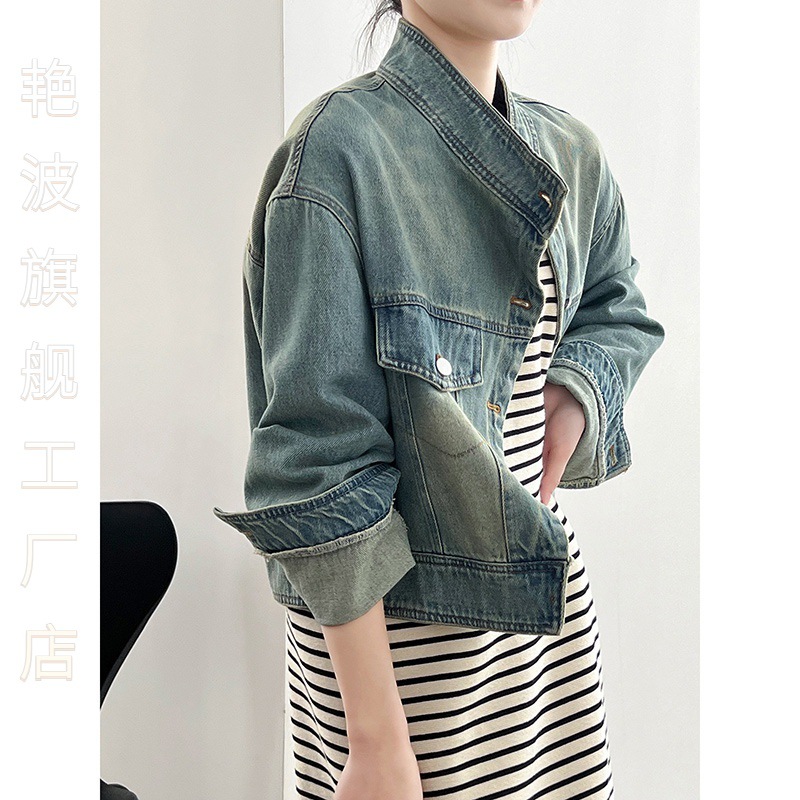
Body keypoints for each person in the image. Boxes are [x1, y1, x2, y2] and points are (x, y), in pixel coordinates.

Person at [213, 1, 665, 797]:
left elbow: (617, 303)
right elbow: (319, 463)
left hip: (540, 646)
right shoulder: (336, 154)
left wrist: (578, 388)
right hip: (394, 667)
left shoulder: (569, 151)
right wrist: (375, 741)